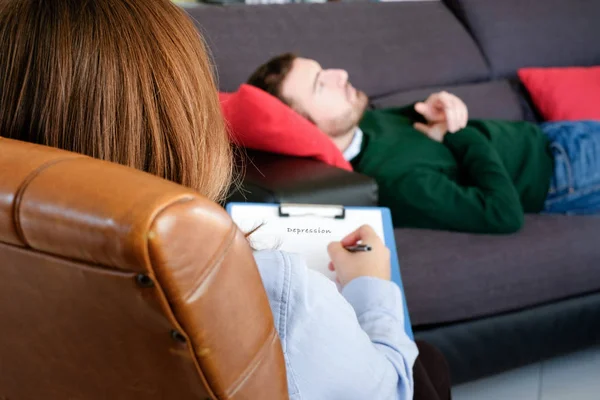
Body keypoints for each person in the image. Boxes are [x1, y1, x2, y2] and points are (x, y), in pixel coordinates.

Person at [0, 1, 452, 399]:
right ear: (183, 121)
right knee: (423, 362)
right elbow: (392, 389)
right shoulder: (270, 293)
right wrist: (370, 285)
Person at [247, 53, 600, 234]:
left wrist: (437, 110)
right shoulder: (396, 183)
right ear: (301, 125)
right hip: (563, 173)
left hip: (552, 134)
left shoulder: (361, 123)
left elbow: (410, 123)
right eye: (320, 85)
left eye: (326, 69)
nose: (341, 75)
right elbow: (503, 215)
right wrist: (457, 133)